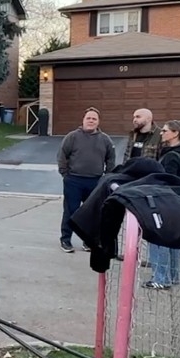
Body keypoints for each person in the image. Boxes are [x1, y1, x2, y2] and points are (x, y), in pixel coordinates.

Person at [145, 120, 180, 290]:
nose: (161, 133)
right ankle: (173, 275)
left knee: (157, 238)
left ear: (175, 133)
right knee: (174, 240)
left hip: (167, 202)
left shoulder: (171, 156)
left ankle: (161, 278)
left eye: (165, 131)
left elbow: (167, 181)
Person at [57, 107, 116, 253]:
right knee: (71, 211)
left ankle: (88, 242)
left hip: (95, 182)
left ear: (98, 122)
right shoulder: (72, 137)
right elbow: (62, 156)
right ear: (83, 120)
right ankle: (65, 240)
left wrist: (107, 178)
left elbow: (111, 159)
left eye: (94, 118)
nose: (91, 121)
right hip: (73, 181)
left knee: (92, 213)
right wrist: (65, 174)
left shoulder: (105, 139)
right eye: (88, 118)